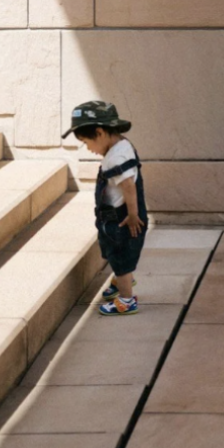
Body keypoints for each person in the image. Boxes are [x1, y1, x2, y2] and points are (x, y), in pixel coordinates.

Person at [62, 100, 148, 316]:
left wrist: (132, 215)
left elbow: (128, 186)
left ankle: (127, 299)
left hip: (122, 218)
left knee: (120, 256)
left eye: (86, 142)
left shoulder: (116, 158)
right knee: (115, 252)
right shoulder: (122, 146)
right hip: (116, 216)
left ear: (99, 132)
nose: (88, 149)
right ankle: (122, 281)